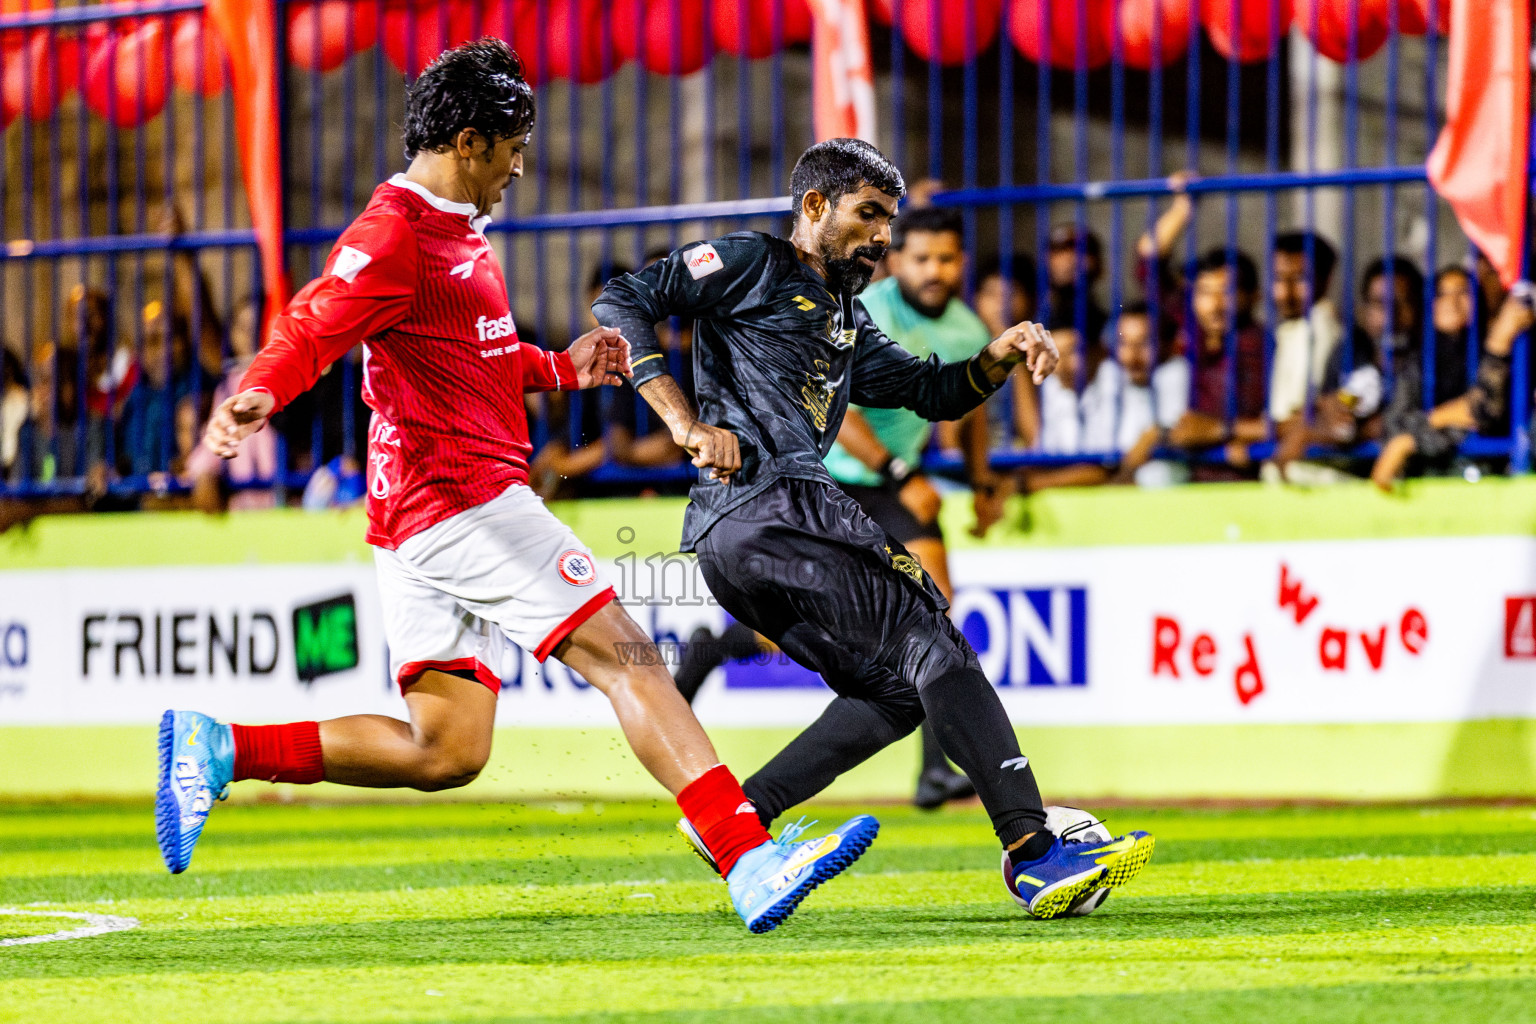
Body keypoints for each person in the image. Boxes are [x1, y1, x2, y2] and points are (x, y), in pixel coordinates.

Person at [161, 40, 874, 936]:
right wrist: (259, 389)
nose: (521, 165)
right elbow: (313, 321)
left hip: (416, 513)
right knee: (628, 656)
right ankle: (749, 857)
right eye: (512, 147)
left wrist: (560, 370)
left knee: (445, 748)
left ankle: (220, 747)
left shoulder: (455, 234)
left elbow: (469, 354)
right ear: (468, 141)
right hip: (462, 500)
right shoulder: (393, 233)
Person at [594, 137, 1154, 921]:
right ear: (814, 207)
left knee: (893, 690)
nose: (880, 236)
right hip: (775, 503)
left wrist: (998, 354)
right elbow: (622, 300)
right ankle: (1034, 852)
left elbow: (934, 392)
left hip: (735, 539)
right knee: (931, 636)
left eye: (887, 219)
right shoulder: (752, 262)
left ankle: (739, 821)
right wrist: (685, 422)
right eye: (867, 215)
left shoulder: (847, 318)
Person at [820, 205, 996, 810]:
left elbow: (973, 409)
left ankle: (935, 772)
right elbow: (838, 415)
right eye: (922, 258)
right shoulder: (864, 313)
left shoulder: (971, 331)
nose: (934, 270)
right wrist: (900, 471)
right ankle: (718, 646)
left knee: (936, 610)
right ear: (896, 261)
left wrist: (981, 484)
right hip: (836, 479)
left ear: (961, 263)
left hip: (897, 487)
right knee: (795, 629)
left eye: (946, 259)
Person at [1117, 248, 1267, 481]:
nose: (1215, 305)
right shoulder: (1195, 337)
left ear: (1254, 296)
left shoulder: (1262, 348)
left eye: (1227, 292)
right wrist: (1184, 209)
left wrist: (1219, 431)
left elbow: (1289, 423)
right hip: (1198, 483)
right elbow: (1148, 264)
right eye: (1205, 293)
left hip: (1248, 483)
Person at [1271, 256, 1425, 478]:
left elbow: (1418, 419)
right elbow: (1340, 405)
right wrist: (1329, 410)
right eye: (1380, 304)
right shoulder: (1350, 351)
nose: (1391, 316)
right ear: (1364, 311)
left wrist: (1356, 429)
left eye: (1403, 302)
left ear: (1421, 308)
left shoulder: (1432, 358)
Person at [1372, 286, 1534, 490]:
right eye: (1442, 294)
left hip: (1488, 479)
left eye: (1464, 292)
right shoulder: (1416, 361)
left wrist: (1413, 438)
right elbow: (1395, 422)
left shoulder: (1501, 356)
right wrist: (1444, 418)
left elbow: (1482, 413)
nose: (1452, 301)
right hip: (1425, 481)